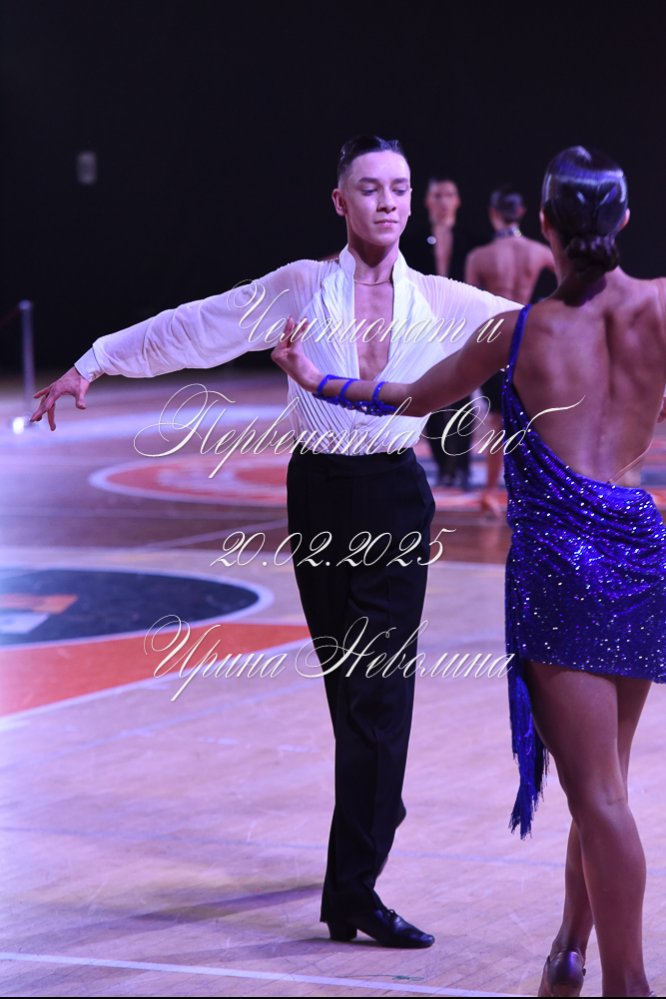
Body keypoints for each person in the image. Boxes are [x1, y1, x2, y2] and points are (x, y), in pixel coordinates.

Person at [30, 135, 517, 949]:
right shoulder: (298, 286)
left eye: (399, 187)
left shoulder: (443, 299)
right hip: (318, 493)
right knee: (348, 686)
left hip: (396, 496)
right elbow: (199, 326)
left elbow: (538, 331)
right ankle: (375, 808)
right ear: (340, 201)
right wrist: (96, 360)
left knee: (378, 690)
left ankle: (352, 890)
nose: (390, 202)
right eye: (372, 188)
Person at [272, 145, 666, 995]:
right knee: (606, 785)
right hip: (638, 550)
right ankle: (567, 951)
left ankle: (628, 985)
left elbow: (407, 398)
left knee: (599, 794)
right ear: (626, 221)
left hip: (562, 568)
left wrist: (316, 378)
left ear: (546, 227)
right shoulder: (664, 307)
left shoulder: (514, 330)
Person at [464, 185, 555, 515]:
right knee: (538, 422)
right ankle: (540, 492)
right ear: (521, 214)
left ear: (493, 213)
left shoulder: (480, 257)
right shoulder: (538, 251)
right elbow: (572, 283)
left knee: (497, 424)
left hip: (497, 341)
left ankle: (490, 492)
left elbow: (469, 305)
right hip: (529, 340)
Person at [404, 176, 481, 488]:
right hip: (424, 329)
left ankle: (460, 464)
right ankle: (443, 464)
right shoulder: (411, 242)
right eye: (437, 195)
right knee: (431, 397)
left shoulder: (472, 241)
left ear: (457, 200)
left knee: (463, 396)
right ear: (427, 201)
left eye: (449, 194)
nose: (443, 201)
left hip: (462, 329)